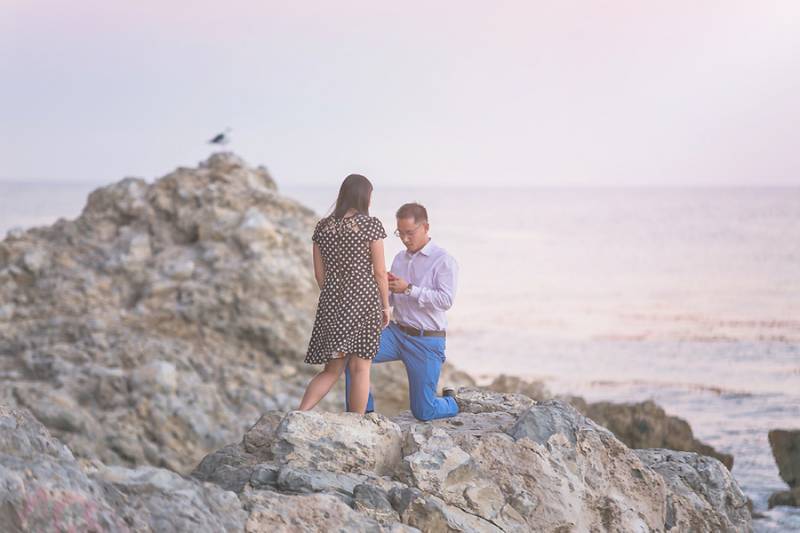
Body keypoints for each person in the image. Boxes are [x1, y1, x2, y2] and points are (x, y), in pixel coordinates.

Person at [345, 202, 459, 420]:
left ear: (425, 227)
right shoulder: (399, 258)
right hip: (396, 334)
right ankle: (362, 415)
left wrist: (409, 289)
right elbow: (390, 300)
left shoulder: (444, 261)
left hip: (426, 341)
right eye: (400, 233)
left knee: (424, 412)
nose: (405, 239)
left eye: (410, 233)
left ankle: (451, 401)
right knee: (355, 352)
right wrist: (383, 287)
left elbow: (445, 301)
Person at [298, 174, 391, 414]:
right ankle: (357, 423)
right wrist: (385, 306)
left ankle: (300, 413)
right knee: (360, 368)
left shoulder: (322, 227)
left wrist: (336, 296)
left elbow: (320, 275)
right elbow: (380, 272)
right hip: (364, 303)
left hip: (332, 303)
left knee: (332, 370)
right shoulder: (370, 225)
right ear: (364, 197)